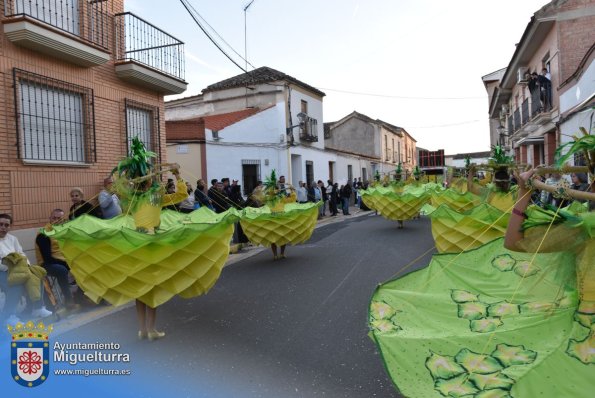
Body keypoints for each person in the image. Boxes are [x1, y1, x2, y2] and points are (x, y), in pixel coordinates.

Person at [0, 214, 52, 325]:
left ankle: (37, 308)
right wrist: (12, 267)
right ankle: (9, 316)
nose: (3, 227)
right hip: (3, 270)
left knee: (36, 275)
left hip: (18, 268)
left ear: (10, 227)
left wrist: (26, 266)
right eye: (0, 224)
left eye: (6, 225)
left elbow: (21, 254)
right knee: (16, 284)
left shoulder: (13, 239)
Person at [35, 209, 79, 311]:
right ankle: (68, 300)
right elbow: (48, 258)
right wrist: (66, 263)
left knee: (83, 264)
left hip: (61, 260)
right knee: (61, 270)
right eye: (54, 218)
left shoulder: (63, 231)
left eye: (59, 218)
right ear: (50, 219)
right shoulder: (43, 234)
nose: (56, 221)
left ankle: (81, 295)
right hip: (46, 264)